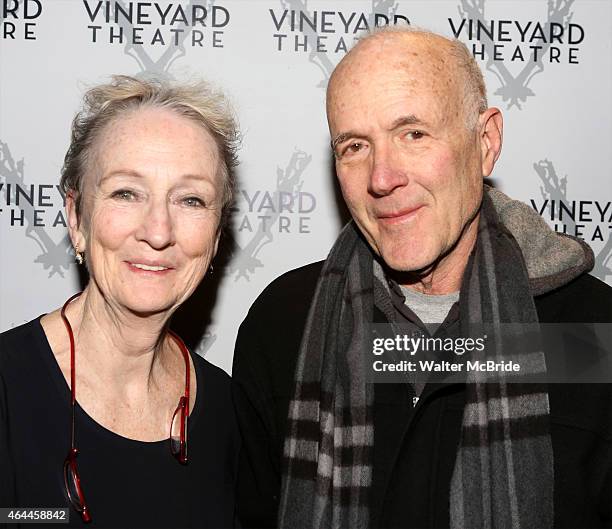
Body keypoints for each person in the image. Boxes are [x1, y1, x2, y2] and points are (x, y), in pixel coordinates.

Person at [232, 27, 612, 529]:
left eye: (414, 133)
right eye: (354, 146)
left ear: (486, 141)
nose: (382, 177)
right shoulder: (284, 324)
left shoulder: (593, 331)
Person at [0, 75, 240, 528]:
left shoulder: (230, 411)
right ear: (76, 218)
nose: (158, 231)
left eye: (190, 200)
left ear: (215, 235)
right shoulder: (7, 390)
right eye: (126, 193)